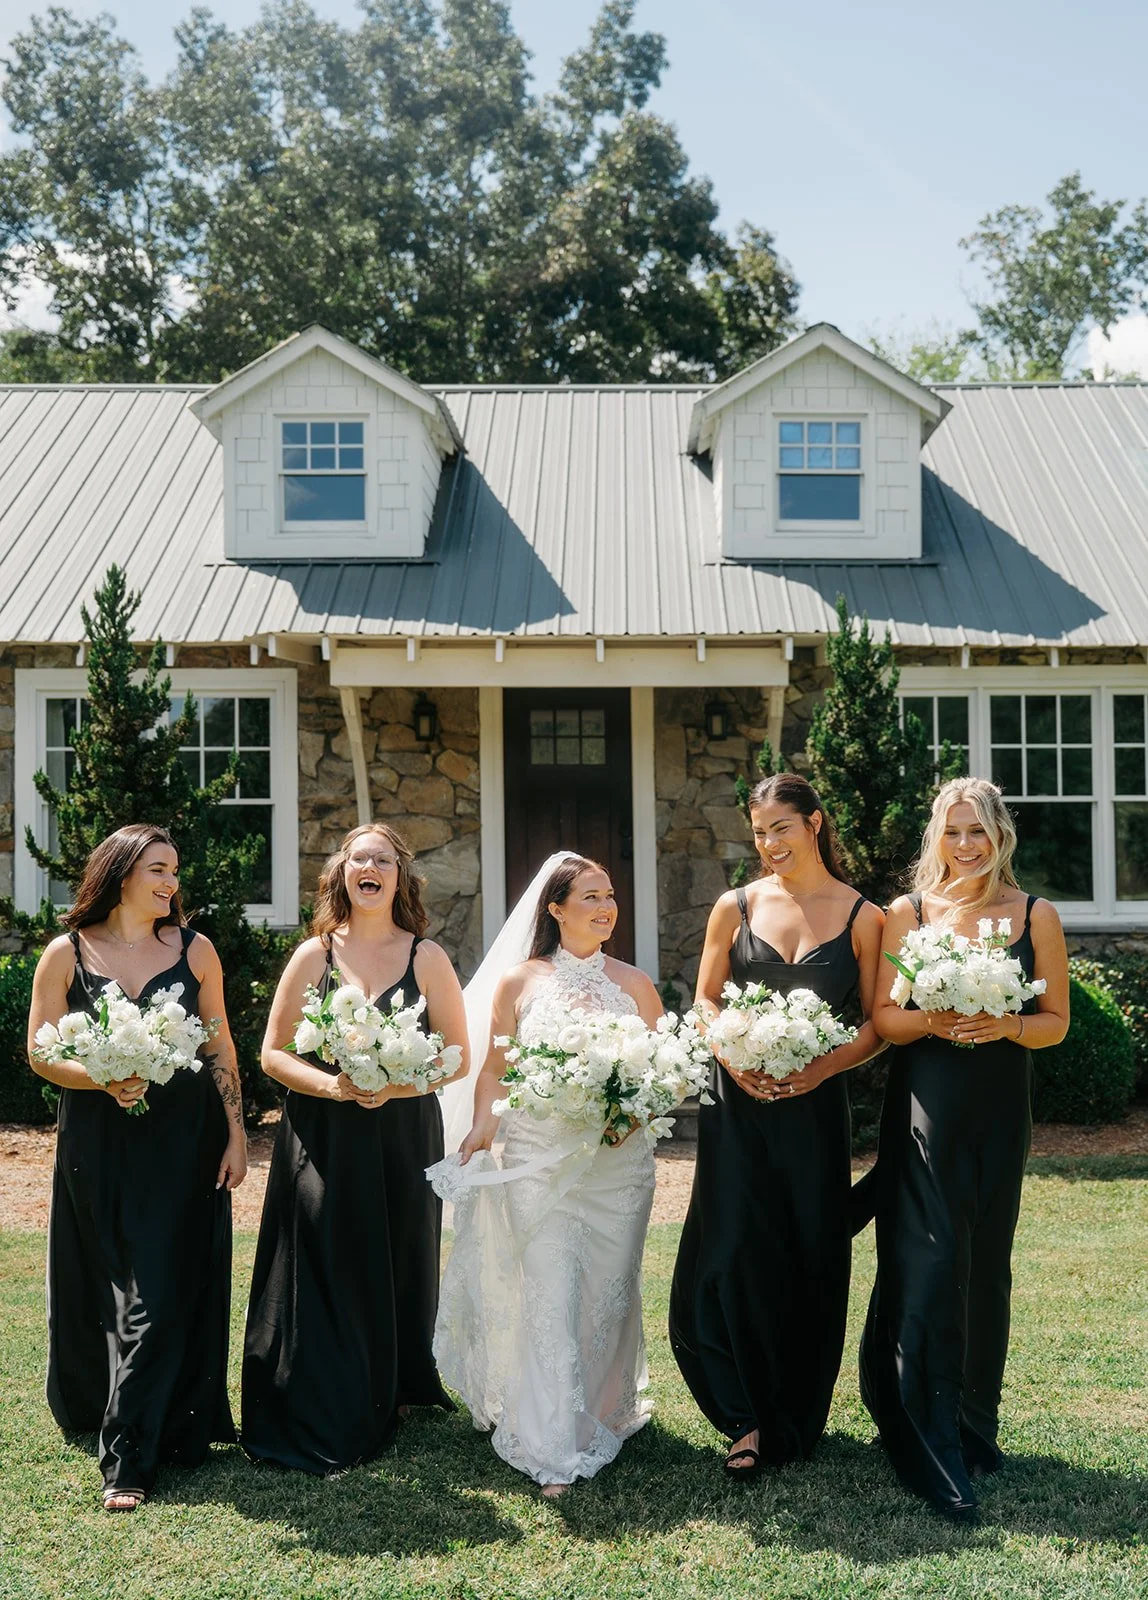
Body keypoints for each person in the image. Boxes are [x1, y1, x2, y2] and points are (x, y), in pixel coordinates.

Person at [859, 777, 1069, 1522]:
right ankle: (924, 1427)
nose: (966, 845)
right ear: (936, 839)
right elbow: (884, 1015)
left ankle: (977, 1425)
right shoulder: (907, 914)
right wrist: (935, 1018)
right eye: (953, 832)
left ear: (1000, 834)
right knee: (929, 1257)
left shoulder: (1035, 915)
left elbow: (1056, 1022)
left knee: (985, 1263)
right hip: (927, 1102)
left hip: (998, 1108)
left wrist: (1009, 1025)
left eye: (978, 830)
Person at [668, 774, 886, 1478]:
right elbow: (704, 1002)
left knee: (808, 1251)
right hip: (737, 1108)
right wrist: (731, 1058)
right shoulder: (734, 908)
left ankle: (794, 1412)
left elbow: (877, 1023)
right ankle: (744, 1415)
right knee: (729, 1250)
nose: (767, 845)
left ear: (814, 824)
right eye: (758, 833)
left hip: (815, 1111)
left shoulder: (864, 916)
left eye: (780, 830)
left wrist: (822, 1071)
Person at [429, 853, 663, 1496]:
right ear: (555, 909)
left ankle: (604, 1406)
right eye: (590, 896)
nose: (605, 906)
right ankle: (552, 1441)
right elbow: (495, 1071)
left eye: (610, 894)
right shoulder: (518, 984)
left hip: (617, 1165)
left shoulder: (637, 985)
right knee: (552, 1292)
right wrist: (482, 1128)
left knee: (606, 1293)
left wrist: (636, 1114)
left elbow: (662, 1072)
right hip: (538, 1157)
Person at [28, 824, 246, 1512]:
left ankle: (127, 1459)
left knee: (157, 1288)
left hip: (185, 1141)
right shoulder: (67, 954)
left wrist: (236, 1133)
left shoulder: (195, 949)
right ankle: (135, 1414)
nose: (171, 883)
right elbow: (39, 1051)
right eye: (158, 869)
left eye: (175, 871)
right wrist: (103, 1078)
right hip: (98, 1141)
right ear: (122, 873)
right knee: (110, 1279)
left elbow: (220, 1049)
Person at [242, 823, 468, 1474]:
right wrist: (335, 1087)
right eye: (357, 858)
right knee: (325, 1248)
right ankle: (319, 1390)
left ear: (399, 877)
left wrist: (399, 1081)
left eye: (382, 859)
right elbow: (274, 1052)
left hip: (402, 1130)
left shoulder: (426, 958)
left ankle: (391, 1385)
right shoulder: (316, 955)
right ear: (341, 874)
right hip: (326, 1128)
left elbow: (456, 1057)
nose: (369, 867)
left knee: (394, 1251)